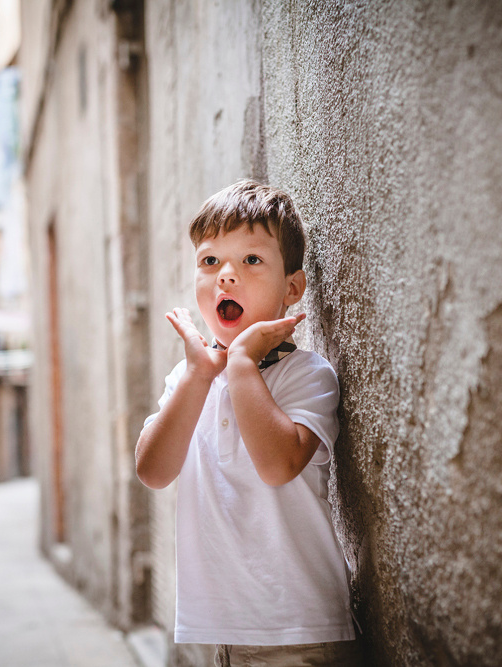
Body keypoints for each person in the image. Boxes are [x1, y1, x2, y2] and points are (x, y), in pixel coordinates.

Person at [136, 180, 362, 666]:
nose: (226, 276)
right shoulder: (190, 377)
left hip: (299, 631)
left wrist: (240, 365)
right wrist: (200, 374)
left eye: (252, 261)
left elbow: (278, 464)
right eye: (210, 261)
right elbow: (152, 470)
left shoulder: (306, 375)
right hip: (224, 631)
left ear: (292, 289)